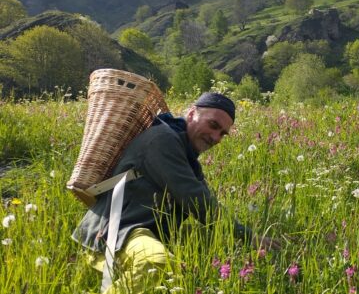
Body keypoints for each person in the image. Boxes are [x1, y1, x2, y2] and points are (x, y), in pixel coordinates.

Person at [72, 93, 280, 293]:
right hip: (115, 232)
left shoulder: (185, 153)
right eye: (213, 125)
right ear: (191, 114)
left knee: (210, 242)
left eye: (223, 133)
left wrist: (247, 237)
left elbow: (206, 202)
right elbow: (197, 200)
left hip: (139, 232)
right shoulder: (163, 140)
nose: (216, 137)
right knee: (157, 263)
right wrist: (249, 236)